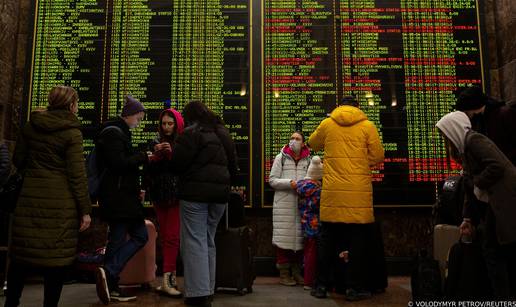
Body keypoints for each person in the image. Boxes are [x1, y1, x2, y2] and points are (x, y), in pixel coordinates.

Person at [4, 86, 92, 307]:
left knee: (21, 257)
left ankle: (11, 302)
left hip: (30, 198)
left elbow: (18, 161)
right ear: (72, 105)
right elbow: (77, 175)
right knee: (56, 260)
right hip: (61, 204)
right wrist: (86, 210)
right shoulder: (72, 133)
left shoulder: (30, 126)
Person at [307, 95, 384, 300]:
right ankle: (353, 288)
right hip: (358, 194)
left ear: (340, 106)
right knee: (356, 243)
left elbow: (312, 144)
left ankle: (321, 286)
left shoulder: (328, 123)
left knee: (327, 240)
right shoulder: (367, 125)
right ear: (358, 107)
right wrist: (358, 162)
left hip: (333, 192)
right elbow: (377, 156)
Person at [436, 111, 516, 300]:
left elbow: (497, 166)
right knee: (493, 250)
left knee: (495, 251)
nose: (446, 141)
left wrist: (478, 182)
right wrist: (467, 217)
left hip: (506, 200)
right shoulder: (466, 149)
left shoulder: (474, 141)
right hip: (496, 203)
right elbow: (468, 185)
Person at [168, 100, 238, 307]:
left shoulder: (191, 133)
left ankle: (198, 294)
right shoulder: (223, 133)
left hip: (195, 195)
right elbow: (234, 167)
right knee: (208, 240)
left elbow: (177, 165)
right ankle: (207, 289)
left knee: (194, 241)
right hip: (220, 197)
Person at [94, 95, 150, 304]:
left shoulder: (116, 132)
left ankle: (109, 281)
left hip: (121, 198)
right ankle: (109, 273)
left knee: (119, 240)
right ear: (130, 115)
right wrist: (144, 156)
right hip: (119, 199)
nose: (139, 122)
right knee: (137, 236)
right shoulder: (114, 134)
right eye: (139, 117)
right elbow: (119, 164)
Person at [146, 108, 184, 297]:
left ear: (177, 124)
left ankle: (169, 280)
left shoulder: (183, 143)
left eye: (170, 123)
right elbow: (149, 170)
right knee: (165, 237)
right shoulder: (154, 141)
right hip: (159, 195)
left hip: (177, 196)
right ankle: (167, 280)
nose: (167, 127)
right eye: (164, 124)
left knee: (172, 237)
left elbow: (183, 167)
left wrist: (170, 154)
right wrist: (154, 157)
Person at [269, 131, 310, 286]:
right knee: (283, 241)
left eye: (297, 139)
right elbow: (272, 180)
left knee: (300, 241)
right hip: (284, 206)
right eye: (292, 138)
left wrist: (305, 185)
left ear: (303, 143)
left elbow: (313, 179)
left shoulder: (309, 159)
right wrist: (290, 183)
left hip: (302, 205)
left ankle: (297, 272)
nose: (294, 141)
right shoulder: (281, 158)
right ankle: (284, 274)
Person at [455, 86, 516, 166]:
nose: (465, 115)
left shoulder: (505, 114)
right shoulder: (480, 119)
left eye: (465, 111)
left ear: (472, 106)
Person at [291, 155, 323, 290]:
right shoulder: (318, 190)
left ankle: (307, 278)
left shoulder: (300, 186)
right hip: (315, 224)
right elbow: (318, 206)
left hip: (305, 222)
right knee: (313, 253)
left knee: (307, 252)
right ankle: (309, 281)